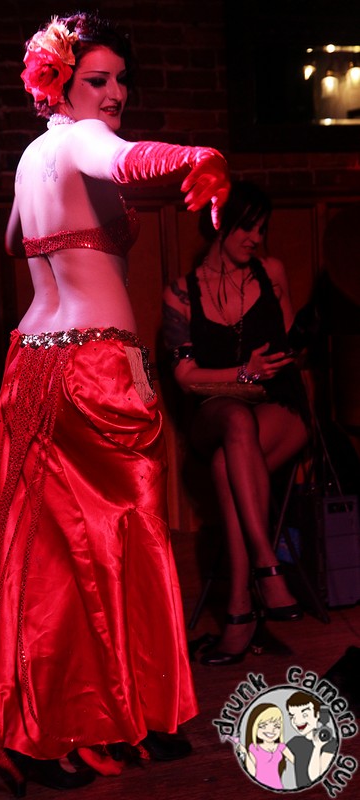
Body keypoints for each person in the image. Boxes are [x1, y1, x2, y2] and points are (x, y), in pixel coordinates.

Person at [0, 10, 230, 794]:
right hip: (91, 369)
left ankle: (103, 718)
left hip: (33, 363)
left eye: (120, 80)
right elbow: (126, 159)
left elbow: (14, 239)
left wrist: (70, 233)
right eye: (97, 79)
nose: (114, 92)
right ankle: (102, 720)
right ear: (58, 85)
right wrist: (197, 159)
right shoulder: (80, 141)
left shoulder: (34, 157)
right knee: (119, 542)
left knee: (55, 554)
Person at [162, 180, 310, 666]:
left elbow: (289, 351)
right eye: (247, 227)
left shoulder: (272, 272)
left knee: (229, 464)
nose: (256, 238)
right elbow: (185, 377)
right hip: (215, 409)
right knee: (234, 426)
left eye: (261, 229)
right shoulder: (181, 293)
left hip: (278, 406)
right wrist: (242, 372)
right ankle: (268, 564)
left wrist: (293, 350)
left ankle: (240, 609)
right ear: (219, 224)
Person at [237, 702, 294, 790]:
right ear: (254, 727)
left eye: (277, 726)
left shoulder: (281, 747)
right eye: (263, 726)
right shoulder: (254, 748)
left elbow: (297, 762)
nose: (271, 730)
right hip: (259, 787)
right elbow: (252, 772)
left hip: (278, 787)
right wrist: (244, 753)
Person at [286, 691, 337, 788]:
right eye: (292, 716)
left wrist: (317, 747)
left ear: (317, 715)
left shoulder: (330, 743)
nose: (297, 721)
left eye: (305, 715)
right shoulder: (295, 742)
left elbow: (315, 778)